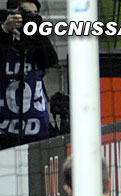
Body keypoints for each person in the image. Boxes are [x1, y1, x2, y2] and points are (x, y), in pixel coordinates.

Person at [0, 0, 57, 149]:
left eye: (35, 15)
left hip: (37, 130)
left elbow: (51, 60)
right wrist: (5, 29)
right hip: (4, 131)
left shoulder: (36, 42)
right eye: (26, 13)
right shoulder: (4, 36)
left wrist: (36, 30)